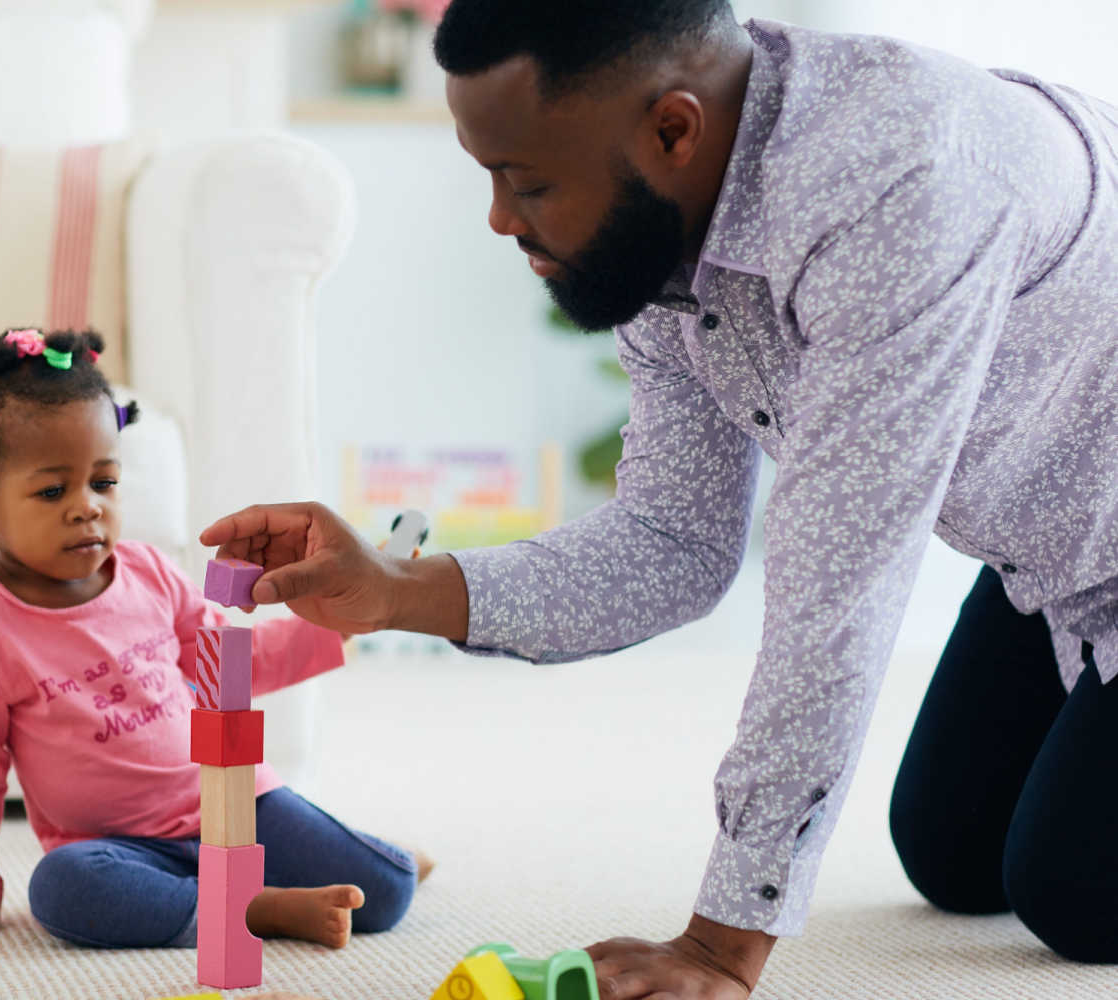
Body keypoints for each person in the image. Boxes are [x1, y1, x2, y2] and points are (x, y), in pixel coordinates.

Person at [201, 0, 1118, 995]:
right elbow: (672, 537)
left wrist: (724, 945)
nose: (500, 218)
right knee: (952, 852)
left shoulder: (898, 190)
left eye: (528, 182)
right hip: (1060, 549)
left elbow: (838, 597)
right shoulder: (671, 226)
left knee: (1076, 894)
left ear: (673, 129)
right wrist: (396, 591)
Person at [0, 328, 422, 951]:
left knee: (388, 890)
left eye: (103, 482)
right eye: (52, 490)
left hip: (232, 805)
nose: (87, 507)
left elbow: (235, 666)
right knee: (61, 889)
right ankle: (257, 909)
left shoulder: (150, 574)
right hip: (115, 848)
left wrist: (338, 625)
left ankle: (314, 867)